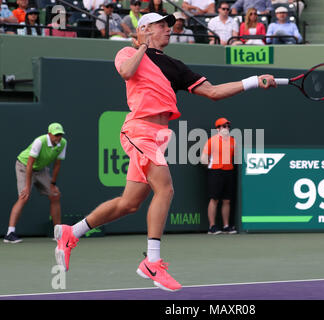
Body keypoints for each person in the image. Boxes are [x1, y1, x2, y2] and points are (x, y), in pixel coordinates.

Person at [53, 12, 276, 292]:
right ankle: (152, 262)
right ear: (145, 29)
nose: (169, 29)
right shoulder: (127, 51)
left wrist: (254, 80)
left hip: (157, 136)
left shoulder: (176, 67)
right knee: (166, 190)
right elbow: (126, 72)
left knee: (129, 203)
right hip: (138, 131)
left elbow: (214, 92)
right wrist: (143, 45)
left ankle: (71, 232)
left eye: (169, 26)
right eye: (161, 26)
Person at [4, 123, 67, 244]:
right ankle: (10, 233)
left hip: (41, 169)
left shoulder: (63, 143)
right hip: (24, 166)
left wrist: (53, 183)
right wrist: (27, 187)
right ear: (49, 134)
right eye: (56, 135)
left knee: (55, 195)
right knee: (24, 197)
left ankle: (58, 233)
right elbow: (29, 165)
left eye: (60, 135)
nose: (58, 137)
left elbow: (57, 165)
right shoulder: (39, 141)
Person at [201, 118, 237, 235]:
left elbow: (236, 157)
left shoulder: (233, 141)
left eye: (228, 126)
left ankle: (226, 226)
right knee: (214, 199)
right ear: (218, 128)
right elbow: (204, 158)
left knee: (227, 200)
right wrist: (211, 167)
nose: (226, 128)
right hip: (215, 171)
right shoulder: (212, 141)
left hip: (229, 171)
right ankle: (212, 226)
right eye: (224, 126)